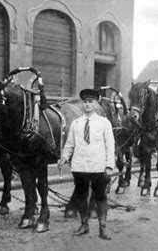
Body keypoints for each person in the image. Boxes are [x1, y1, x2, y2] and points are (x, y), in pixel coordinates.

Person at [58, 88, 115, 240]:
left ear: (96, 104)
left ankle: (103, 228)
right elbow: (70, 144)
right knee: (81, 197)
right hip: (80, 167)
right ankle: (84, 225)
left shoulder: (104, 123)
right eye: (85, 102)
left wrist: (109, 165)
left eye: (91, 102)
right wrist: (64, 157)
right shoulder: (76, 123)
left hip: (98, 166)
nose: (87, 105)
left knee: (101, 197)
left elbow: (110, 145)